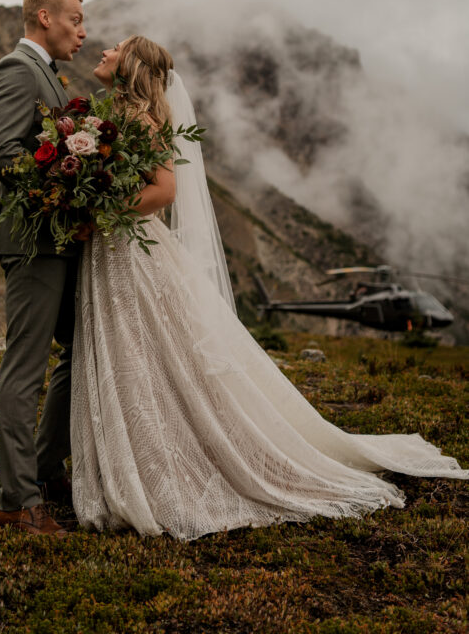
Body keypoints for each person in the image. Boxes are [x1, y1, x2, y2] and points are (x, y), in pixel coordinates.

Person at [70, 36, 468, 541]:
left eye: (116, 46)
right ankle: (129, 460)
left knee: (145, 354)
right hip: (114, 248)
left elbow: (164, 190)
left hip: (130, 248)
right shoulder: (116, 111)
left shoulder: (139, 119)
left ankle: (162, 463)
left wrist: (102, 209)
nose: (103, 49)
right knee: (134, 354)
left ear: (131, 65)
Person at [0, 0, 86, 539]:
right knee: (25, 367)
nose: (83, 30)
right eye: (75, 18)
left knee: (80, 349)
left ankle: (45, 471)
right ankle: (18, 502)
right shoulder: (17, 69)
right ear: (44, 17)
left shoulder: (47, 71)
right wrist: (60, 193)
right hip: (33, 239)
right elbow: (1, 150)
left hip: (60, 239)